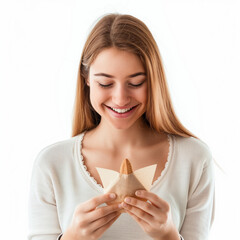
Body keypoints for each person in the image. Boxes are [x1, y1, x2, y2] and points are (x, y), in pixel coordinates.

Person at [28, 13, 215, 240]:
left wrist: (168, 235)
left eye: (136, 83)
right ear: (86, 79)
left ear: (154, 80)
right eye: (105, 83)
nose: (120, 99)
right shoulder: (52, 164)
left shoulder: (194, 159)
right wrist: (72, 238)